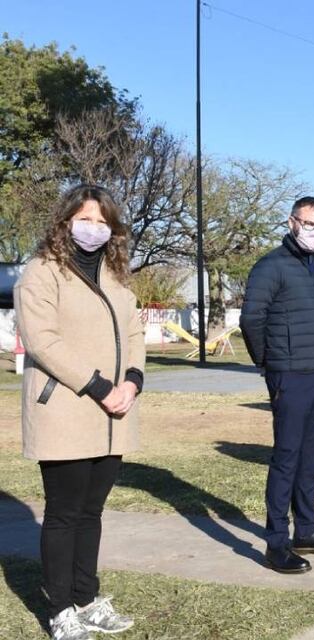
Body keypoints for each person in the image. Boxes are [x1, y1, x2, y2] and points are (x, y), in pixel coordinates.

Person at [15, 185, 143, 640]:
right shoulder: (41, 272)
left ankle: (88, 598)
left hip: (112, 413)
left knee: (92, 511)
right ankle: (60, 608)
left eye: (103, 221)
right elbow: (41, 340)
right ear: (66, 220)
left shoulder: (116, 276)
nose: (94, 228)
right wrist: (98, 387)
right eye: (85, 219)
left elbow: (134, 334)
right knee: (65, 512)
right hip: (67, 408)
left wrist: (132, 381)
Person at [241, 196, 314, 574]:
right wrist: (268, 363)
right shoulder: (271, 266)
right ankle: (277, 542)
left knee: (311, 456)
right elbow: (251, 319)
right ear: (292, 222)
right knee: (286, 458)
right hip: (288, 374)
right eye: (309, 224)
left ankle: (306, 529)